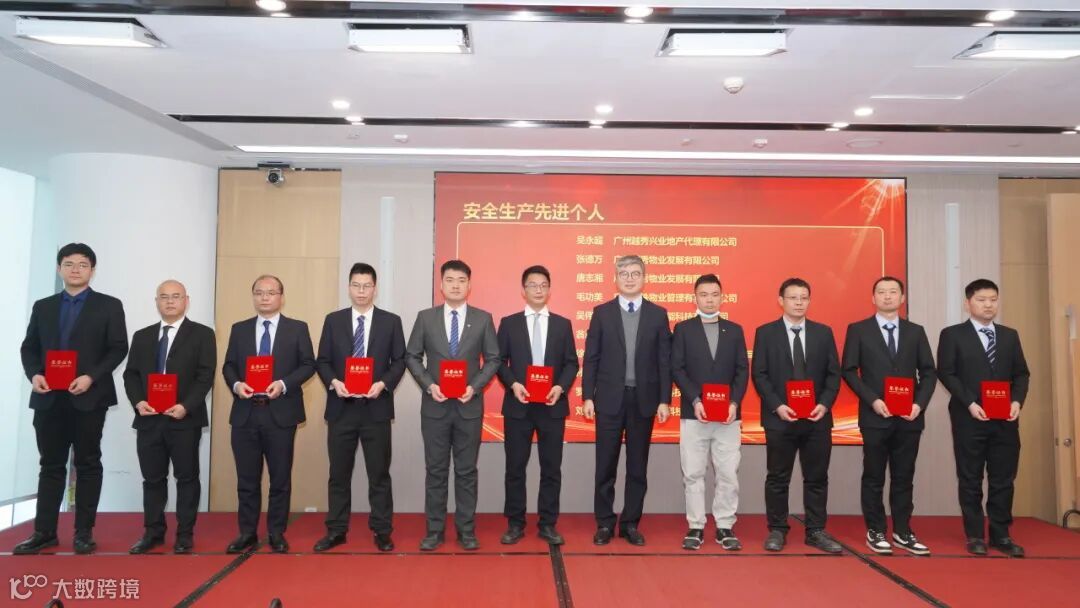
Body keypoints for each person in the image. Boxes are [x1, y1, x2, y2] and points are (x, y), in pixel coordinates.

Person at [15, 243, 128, 555]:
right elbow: (29, 347)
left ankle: (83, 533)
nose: (75, 269)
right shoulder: (43, 306)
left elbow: (118, 347)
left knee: (88, 463)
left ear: (92, 270)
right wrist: (34, 374)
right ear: (59, 268)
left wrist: (91, 376)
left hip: (88, 396)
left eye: (82, 264)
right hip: (49, 397)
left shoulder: (109, 305)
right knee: (50, 464)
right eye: (68, 264)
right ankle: (44, 532)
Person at [406, 260, 500, 551]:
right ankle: (434, 531)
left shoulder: (483, 319)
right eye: (450, 280)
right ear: (441, 284)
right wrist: (428, 385)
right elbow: (411, 356)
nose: (455, 285)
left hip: (468, 407)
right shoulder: (426, 318)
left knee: (466, 471)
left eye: (461, 280)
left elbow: (493, 358)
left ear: (469, 285)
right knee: (435, 470)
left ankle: (466, 530)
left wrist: (475, 387)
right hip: (435, 407)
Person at [313, 263, 406, 553]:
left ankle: (382, 531)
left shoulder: (390, 321)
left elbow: (400, 361)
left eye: (367, 286)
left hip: (376, 408)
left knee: (379, 474)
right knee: (338, 474)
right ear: (349, 287)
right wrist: (334, 382)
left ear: (375, 289)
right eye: (356, 285)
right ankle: (336, 530)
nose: (361, 291)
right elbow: (322, 360)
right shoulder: (333, 320)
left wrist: (383, 384)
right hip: (342, 408)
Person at [841, 276, 936, 555]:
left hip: (909, 417)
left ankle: (903, 531)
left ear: (902, 298)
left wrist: (919, 404)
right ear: (873, 298)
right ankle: (876, 529)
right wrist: (873, 400)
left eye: (893, 292)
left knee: (904, 476)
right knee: (874, 476)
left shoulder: (915, 331)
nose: (887, 296)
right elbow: (849, 370)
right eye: (881, 292)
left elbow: (929, 372)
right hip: (875, 417)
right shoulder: (858, 330)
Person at [582, 254, 672, 546]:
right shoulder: (602, 313)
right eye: (624, 274)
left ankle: (631, 523)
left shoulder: (658, 314)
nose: (630, 279)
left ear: (644, 278)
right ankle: (605, 523)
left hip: (643, 401)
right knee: (605, 465)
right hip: (609, 400)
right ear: (615, 279)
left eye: (635, 273)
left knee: (637, 466)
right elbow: (591, 358)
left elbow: (664, 361)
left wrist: (664, 400)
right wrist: (587, 396)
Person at [221, 275, 315, 554]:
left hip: (280, 414)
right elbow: (228, 366)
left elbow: (308, 365)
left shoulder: (297, 328)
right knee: (247, 480)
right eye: (259, 292)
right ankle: (247, 532)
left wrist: (284, 384)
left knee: (280, 479)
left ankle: (276, 532)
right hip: (246, 414)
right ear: (253, 296)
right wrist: (237, 385)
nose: (265, 297)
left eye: (271, 292)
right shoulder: (239, 329)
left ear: (281, 297)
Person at [937, 278, 1030, 557]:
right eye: (981, 300)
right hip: (970, 418)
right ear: (968, 304)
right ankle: (975, 535)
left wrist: (1017, 401)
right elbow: (946, 372)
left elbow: (1021, 374)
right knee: (970, 477)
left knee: (1003, 478)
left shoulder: (1009, 335)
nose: (988, 305)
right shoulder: (952, 334)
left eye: (993, 299)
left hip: (1005, 419)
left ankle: (1001, 534)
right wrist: (969, 403)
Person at [122, 280, 216, 554]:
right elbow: (131, 375)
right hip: (149, 419)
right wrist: (138, 402)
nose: (170, 301)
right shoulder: (142, 336)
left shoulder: (202, 334)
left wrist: (186, 406)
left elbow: (205, 375)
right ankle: (153, 532)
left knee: (187, 478)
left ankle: (185, 534)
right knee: (152, 479)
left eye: (176, 296)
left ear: (186, 300)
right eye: (164, 297)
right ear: (157, 302)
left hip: (183, 419)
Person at [751, 278, 842, 554]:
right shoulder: (765, 333)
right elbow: (760, 374)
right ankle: (777, 529)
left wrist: (824, 404)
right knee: (778, 477)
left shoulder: (823, 333)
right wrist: (777, 405)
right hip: (780, 418)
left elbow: (833, 374)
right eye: (793, 297)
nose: (799, 302)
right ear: (781, 301)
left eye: (804, 297)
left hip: (816, 419)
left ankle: (816, 530)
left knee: (817, 477)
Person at [496, 265, 579, 546]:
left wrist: (560, 387)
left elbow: (571, 363)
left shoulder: (562, 324)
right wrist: (513, 384)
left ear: (550, 289)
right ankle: (515, 523)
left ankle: (548, 523)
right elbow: (499, 362)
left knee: (551, 468)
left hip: (552, 405)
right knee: (515, 467)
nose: (538, 290)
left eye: (543, 285)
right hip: (518, 405)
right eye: (532, 285)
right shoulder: (509, 323)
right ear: (523, 290)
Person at [671, 274, 748, 551]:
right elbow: (677, 368)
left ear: (722, 297)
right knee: (693, 472)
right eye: (704, 294)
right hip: (695, 414)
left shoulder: (734, 330)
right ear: (695, 297)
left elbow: (742, 370)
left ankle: (725, 525)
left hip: (728, 417)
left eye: (715, 294)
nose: (709, 299)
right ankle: (696, 525)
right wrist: (695, 399)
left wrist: (734, 403)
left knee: (728, 473)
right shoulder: (683, 329)